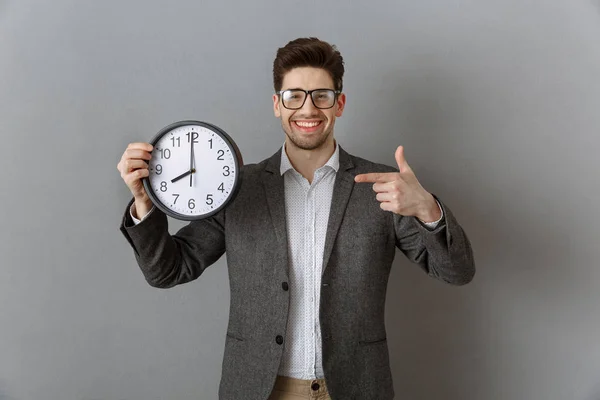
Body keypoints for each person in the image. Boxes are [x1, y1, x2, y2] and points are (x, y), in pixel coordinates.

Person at [117, 37, 475, 400]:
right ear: (277, 104)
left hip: (354, 388)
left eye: (322, 95)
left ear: (340, 104)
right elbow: (168, 271)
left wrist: (427, 208)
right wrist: (144, 202)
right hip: (261, 389)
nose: (308, 109)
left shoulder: (382, 188)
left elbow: (457, 271)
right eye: (294, 96)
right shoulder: (240, 189)